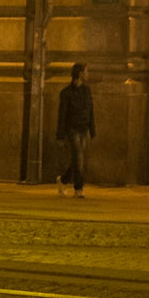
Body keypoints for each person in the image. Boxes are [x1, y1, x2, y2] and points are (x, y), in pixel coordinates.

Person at [56, 61, 96, 197]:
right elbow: (62, 115)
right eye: (86, 72)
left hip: (83, 129)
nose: (88, 74)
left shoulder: (86, 90)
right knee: (79, 159)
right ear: (80, 74)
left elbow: (91, 110)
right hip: (72, 129)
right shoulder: (66, 93)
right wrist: (60, 135)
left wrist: (92, 129)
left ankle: (63, 180)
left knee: (77, 159)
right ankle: (78, 189)